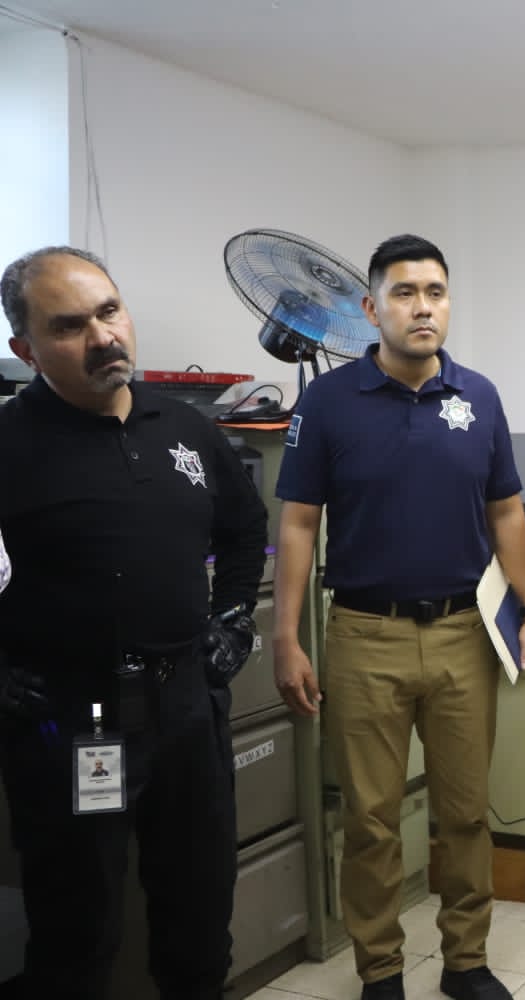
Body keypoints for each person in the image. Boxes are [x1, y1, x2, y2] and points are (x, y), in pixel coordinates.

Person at [273, 234, 525, 1000]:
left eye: (435, 292)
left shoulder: (479, 396)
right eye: (404, 292)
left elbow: (507, 510)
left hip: (465, 633)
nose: (422, 306)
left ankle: (465, 962)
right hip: (365, 635)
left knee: (463, 815)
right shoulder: (327, 403)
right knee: (372, 823)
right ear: (370, 308)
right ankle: (381, 971)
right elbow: (296, 523)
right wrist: (286, 636)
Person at [0, 246, 266, 999]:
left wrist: (235, 617)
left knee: (198, 912)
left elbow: (247, 531)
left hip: (186, 708)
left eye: (110, 311)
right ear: (26, 350)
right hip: (78, 720)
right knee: (79, 928)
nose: (103, 336)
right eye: (70, 325)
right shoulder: (9, 446)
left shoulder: (184, 428)